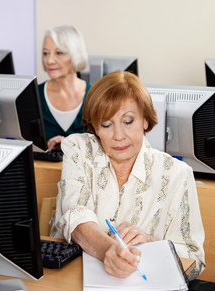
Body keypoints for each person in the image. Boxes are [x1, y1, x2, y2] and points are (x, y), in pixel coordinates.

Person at [50, 71, 205, 280]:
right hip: (71, 284)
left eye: (128, 121)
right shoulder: (78, 149)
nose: (119, 135)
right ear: (95, 127)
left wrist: (152, 244)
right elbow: (74, 215)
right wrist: (108, 251)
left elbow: (195, 262)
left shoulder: (177, 174)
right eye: (106, 125)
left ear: (145, 121)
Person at [38, 25, 91, 151]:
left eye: (59, 53)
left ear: (76, 55)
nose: (49, 60)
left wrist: (70, 144)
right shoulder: (34, 95)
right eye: (46, 53)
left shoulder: (95, 97)